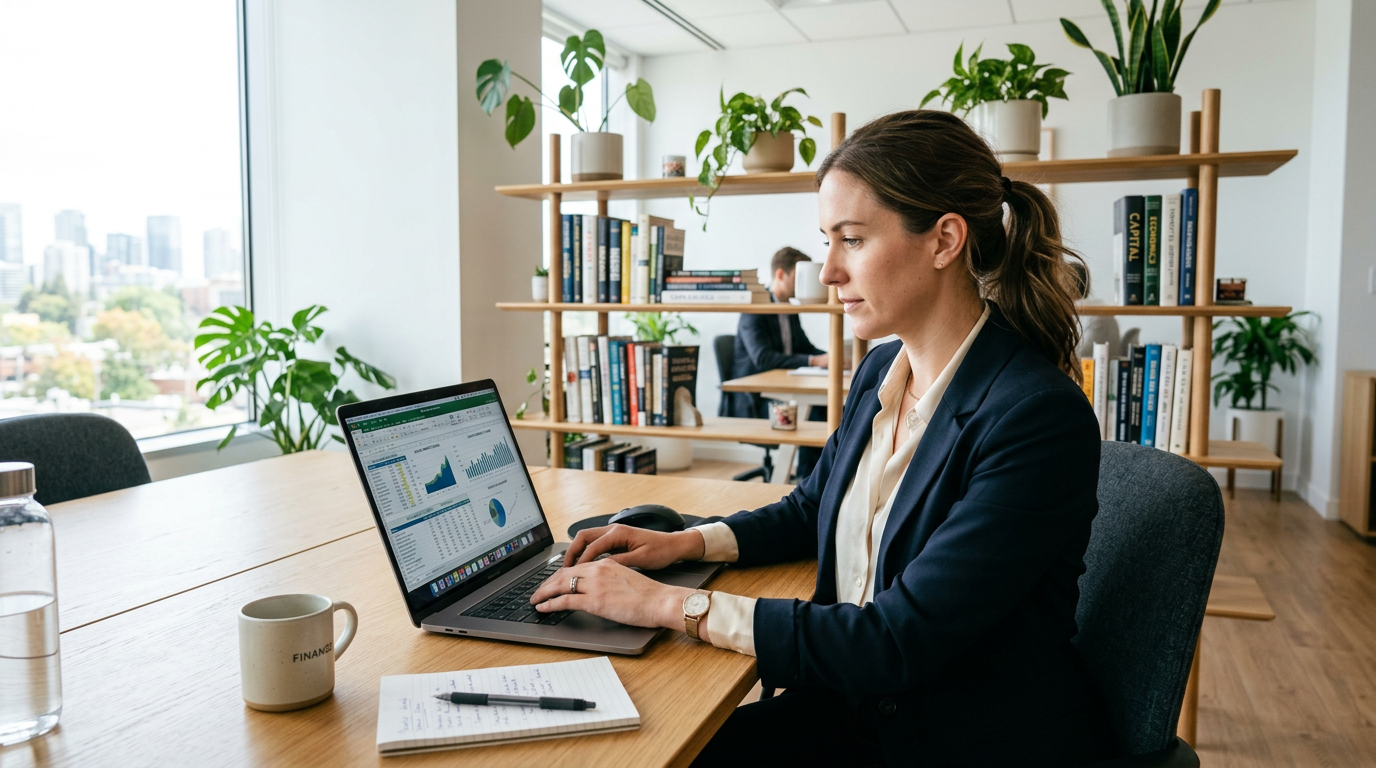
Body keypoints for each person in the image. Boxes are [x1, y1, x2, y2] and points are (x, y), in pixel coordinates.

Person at [529, 110, 1113, 767]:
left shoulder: (1034, 418)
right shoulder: (877, 375)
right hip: (852, 706)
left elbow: (898, 640)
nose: (828, 270)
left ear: (945, 239)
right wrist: (683, 544)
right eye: (825, 241)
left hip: (949, 739)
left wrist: (672, 605)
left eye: (852, 240)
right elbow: (813, 509)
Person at [719, 246, 830, 420]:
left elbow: (804, 347)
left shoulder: (789, 310)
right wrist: (815, 361)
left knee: (830, 407)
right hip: (757, 399)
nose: (804, 283)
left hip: (784, 389)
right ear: (780, 275)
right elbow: (763, 358)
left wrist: (833, 358)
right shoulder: (756, 308)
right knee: (818, 413)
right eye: (798, 276)